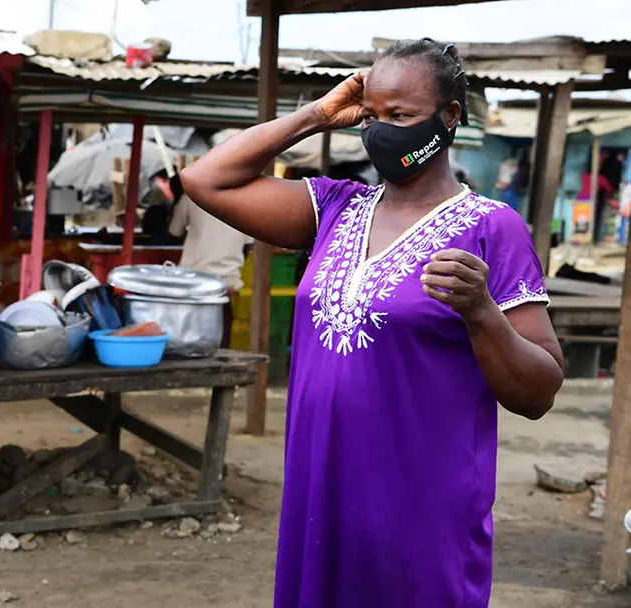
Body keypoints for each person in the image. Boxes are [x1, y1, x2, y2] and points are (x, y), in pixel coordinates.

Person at [180, 38, 564, 608]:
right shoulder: (335, 209)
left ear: (449, 117)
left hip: (419, 501)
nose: (382, 130)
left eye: (402, 116)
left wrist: (483, 313)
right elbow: (206, 180)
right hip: (322, 488)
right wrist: (317, 115)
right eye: (374, 115)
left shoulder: (492, 227)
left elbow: (540, 390)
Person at [155, 172, 252, 347]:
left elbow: (173, 233)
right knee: (222, 341)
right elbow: (247, 245)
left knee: (186, 338)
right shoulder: (246, 203)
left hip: (193, 281)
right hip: (226, 283)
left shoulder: (190, 199)